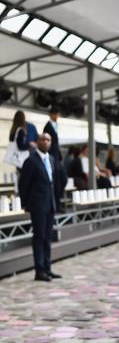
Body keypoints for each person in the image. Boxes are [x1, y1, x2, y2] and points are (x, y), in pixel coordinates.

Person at [18, 133, 62, 282]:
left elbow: (53, 183)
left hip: (50, 204)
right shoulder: (31, 161)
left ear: (51, 143)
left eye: (48, 140)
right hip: (37, 205)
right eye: (43, 139)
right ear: (37, 142)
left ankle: (48, 268)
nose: (45, 142)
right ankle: (39, 270)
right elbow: (23, 184)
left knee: (48, 237)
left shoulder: (51, 159)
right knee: (39, 237)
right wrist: (25, 204)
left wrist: (56, 202)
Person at [44, 106, 67, 212]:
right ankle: (55, 206)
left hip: (56, 157)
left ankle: (57, 204)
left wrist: (60, 157)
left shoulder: (55, 126)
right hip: (52, 157)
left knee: (62, 179)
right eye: (56, 114)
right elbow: (48, 144)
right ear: (52, 114)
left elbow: (56, 145)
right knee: (56, 181)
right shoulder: (48, 127)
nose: (58, 116)